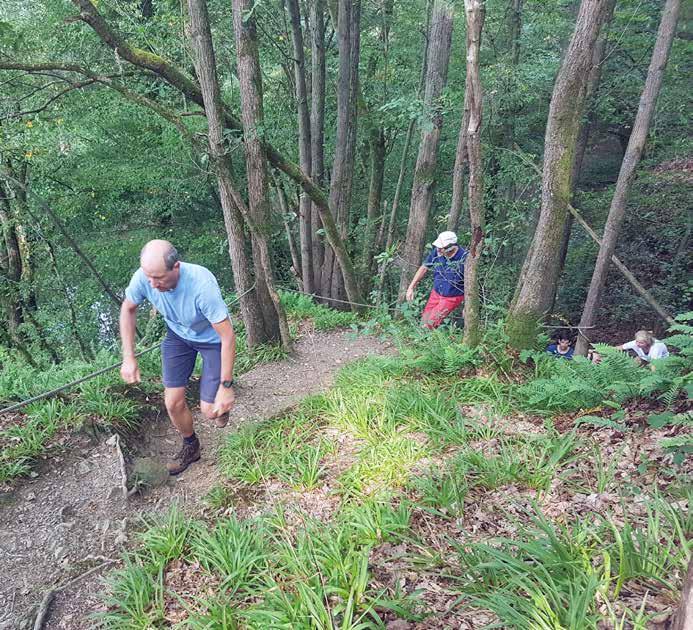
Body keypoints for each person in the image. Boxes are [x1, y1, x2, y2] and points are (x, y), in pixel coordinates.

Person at [119, 240, 236, 475]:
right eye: (149, 277)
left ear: (176, 267)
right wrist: (128, 357)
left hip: (212, 340)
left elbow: (228, 337)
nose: (152, 284)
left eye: (159, 278)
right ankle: (191, 446)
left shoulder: (202, 285)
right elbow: (128, 308)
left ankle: (219, 403)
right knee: (172, 402)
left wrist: (226, 385)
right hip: (178, 336)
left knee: (210, 411)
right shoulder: (145, 277)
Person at [406, 231, 467, 329]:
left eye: (441, 247)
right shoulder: (437, 252)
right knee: (424, 321)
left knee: (429, 323)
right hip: (436, 292)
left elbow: (470, 283)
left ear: (451, 246)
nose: (438, 249)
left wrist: (467, 305)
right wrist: (411, 287)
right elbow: (424, 267)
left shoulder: (464, 258)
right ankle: (426, 339)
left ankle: (423, 341)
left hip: (452, 296)